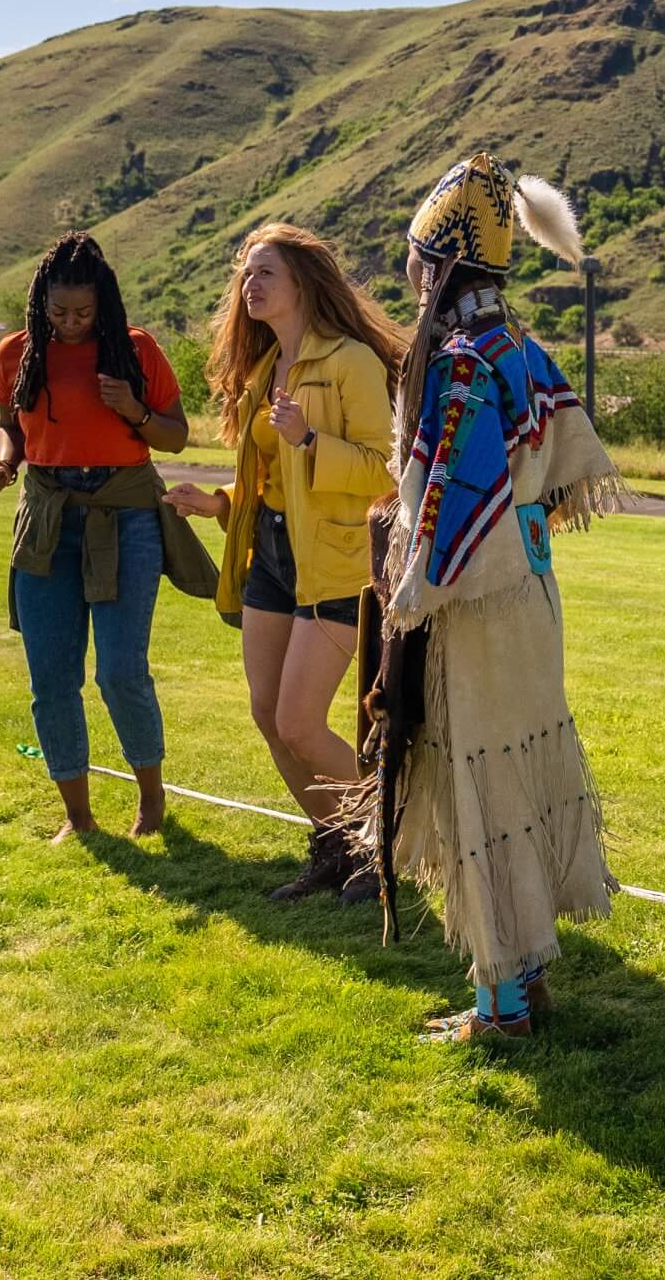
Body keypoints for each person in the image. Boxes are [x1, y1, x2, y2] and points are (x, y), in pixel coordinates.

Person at [345, 154, 624, 1041]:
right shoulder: (519, 348)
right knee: (516, 779)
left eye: (416, 265)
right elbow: (565, 470)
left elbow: (449, 505)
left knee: (482, 790)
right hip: (528, 601)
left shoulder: (461, 363)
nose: (411, 280)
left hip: (476, 611)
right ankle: (528, 976)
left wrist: (411, 590)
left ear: (440, 268)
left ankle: (500, 1005)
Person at [163, 223, 405, 902]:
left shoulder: (350, 361)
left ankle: (383, 839)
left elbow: (389, 471)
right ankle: (337, 849)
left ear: (303, 284)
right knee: (268, 716)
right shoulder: (266, 370)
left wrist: (309, 440)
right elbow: (275, 482)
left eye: (265, 272)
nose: (251, 284)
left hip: (334, 561)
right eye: (246, 273)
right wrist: (217, 502)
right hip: (270, 554)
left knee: (301, 722)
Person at [0, 232, 215, 844]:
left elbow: (175, 437)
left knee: (118, 672)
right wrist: (4, 463)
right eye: (59, 312)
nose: (71, 323)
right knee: (51, 678)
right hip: (47, 520)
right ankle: (78, 818)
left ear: (102, 302)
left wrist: (132, 408)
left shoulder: (134, 350)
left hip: (125, 516)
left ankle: (153, 801)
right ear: (42, 303)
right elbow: (11, 427)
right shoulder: (17, 353)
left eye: (83, 312)